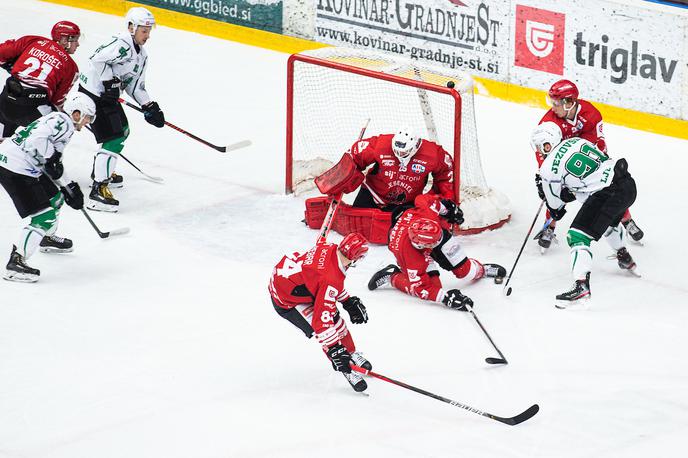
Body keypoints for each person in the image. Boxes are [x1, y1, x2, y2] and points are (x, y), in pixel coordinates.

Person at [531, 122, 638, 307]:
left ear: (547, 144)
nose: (539, 152)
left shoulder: (547, 168)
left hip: (608, 194)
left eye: (540, 147)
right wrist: (568, 192)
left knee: (577, 236)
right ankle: (624, 257)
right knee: (607, 221)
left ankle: (581, 286)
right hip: (627, 184)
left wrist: (545, 190)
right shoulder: (576, 141)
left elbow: (556, 209)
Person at [533, 79, 644, 251]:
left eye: (556, 103)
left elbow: (595, 145)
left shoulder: (591, 113)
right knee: (553, 193)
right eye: (551, 102)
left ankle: (626, 220)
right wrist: (545, 175)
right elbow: (544, 153)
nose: (552, 107)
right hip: (562, 160)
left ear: (570, 102)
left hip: (588, 156)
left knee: (608, 188)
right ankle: (550, 226)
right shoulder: (549, 123)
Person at [303, 126, 457, 243]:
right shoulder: (380, 145)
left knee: (406, 235)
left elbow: (446, 177)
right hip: (373, 193)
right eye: (397, 151)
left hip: (406, 202)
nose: (400, 155)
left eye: (404, 152)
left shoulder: (434, 154)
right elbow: (354, 155)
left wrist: (439, 200)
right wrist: (345, 177)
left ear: (416, 146)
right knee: (354, 227)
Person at [0, 93, 95, 282]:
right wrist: (51, 158)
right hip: (15, 168)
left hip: (23, 164)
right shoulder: (63, 121)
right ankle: (16, 262)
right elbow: (37, 141)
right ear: (76, 113)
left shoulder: (59, 120)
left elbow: (53, 165)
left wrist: (69, 187)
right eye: (87, 117)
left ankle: (45, 237)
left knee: (56, 199)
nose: (87, 123)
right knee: (45, 216)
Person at [78, 6, 165, 212]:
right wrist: (108, 82)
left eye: (149, 31)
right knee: (114, 137)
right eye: (144, 30)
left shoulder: (141, 55)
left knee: (122, 130)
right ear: (131, 27)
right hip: (93, 94)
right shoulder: (121, 43)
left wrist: (149, 105)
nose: (147, 35)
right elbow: (97, 59)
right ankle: (98, 191)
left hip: (107, 98)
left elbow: (135, 86)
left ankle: (101, 172)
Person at [269, 233, 372, 392]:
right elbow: (321, 323)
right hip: (288, 301)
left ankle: (351, 353)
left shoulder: (330, 247)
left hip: (298, 284)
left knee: (338, 322)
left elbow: (324, 282)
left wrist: (346, 300)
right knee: (328, 332)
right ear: (355, 258)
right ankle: (346, 369)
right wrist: (334, 348)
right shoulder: (330, 279)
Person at [368, 193, 506, 308]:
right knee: (431, 287)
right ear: (422, 246)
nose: (439, 243)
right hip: (411, 249)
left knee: (466, 272)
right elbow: (421, 289)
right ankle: (392, 276)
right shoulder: (411, 258)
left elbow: (422, 199)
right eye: (434, 243)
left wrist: (448, 209)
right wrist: (446, 298)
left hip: (428, 231)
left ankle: (481, 269)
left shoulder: (427, 215)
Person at [0, 21, 81, 137]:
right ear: (64, 40)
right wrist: (67, 118)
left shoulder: (33, 41)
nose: (78, 44)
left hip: (6, 102)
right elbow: (57, 101)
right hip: (33, 111)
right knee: (59, 128)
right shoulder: (71, 67)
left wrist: (8, 64)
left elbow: (2, 52)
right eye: (75, 39)